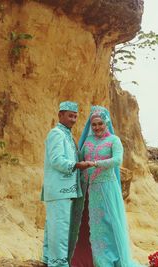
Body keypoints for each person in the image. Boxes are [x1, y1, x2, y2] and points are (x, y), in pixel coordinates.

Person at [70, 105, 142, 267]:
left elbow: (117, 160)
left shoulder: (113, 141)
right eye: (94, 124)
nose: (97, 127)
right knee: (86, 224)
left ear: (107, 123)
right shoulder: (87, 141)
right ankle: (84, 259)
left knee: (107, 224)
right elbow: (79, 157)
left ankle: (106, 260)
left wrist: (95, 163)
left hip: (106, 189)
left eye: (100, 124)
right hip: (88, 189)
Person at [41, 101, 93, 267]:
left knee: (54, 228)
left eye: (76, 116)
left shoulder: (68, 136)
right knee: (60, 229)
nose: (73, 119)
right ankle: (59, 264)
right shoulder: (56, 134)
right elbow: (56, 160)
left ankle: (48, 260)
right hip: (58, 190)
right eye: (70, 115)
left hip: (64, 191)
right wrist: (77, 165)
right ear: (60, 115)